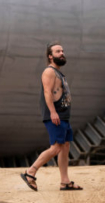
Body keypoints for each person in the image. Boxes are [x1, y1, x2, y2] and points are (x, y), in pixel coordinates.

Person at [20, 42, 83, 192]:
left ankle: (65, 182)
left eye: (62, 51)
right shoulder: (49, 72)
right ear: (50, 56)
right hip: (56, 116)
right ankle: (30, 172)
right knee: (55, 148)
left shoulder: (58, 72)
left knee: (65, 146)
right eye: (58, 51)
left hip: (63, 116)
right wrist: (53, 112)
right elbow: (47, 93)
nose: (62, 53)